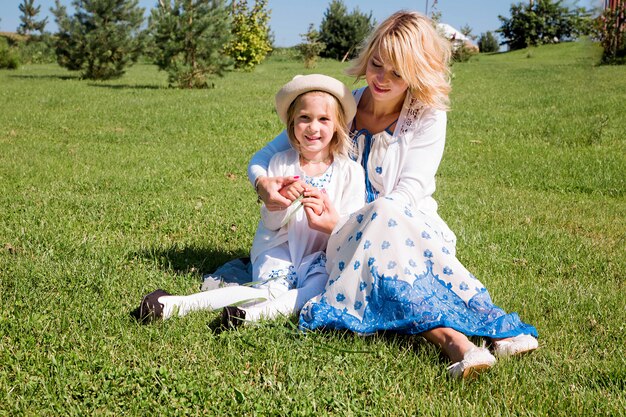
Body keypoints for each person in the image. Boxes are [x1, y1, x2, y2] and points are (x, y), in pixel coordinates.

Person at [248, 11, 538, 378]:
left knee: (385, 225)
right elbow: (263, 158)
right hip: (336, 233)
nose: (381, 79)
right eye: (377, 64)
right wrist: (263, 185)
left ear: (417, 73)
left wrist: (349, 225)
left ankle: (467, 339)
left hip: (406, 227)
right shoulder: (343, 107)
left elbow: (410, 190)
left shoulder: (427, 115)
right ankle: (465, 341)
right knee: (383, 258)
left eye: (398, 72)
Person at [135, 74, 365, 327]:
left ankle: (247, 317)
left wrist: (327, 221)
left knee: (317, 288)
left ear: (337, 126)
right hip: (280, 247)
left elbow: (349, 227)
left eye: (323, 119)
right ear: (291, 124)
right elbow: (271, 220)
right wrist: (280, 204)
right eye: (304, 118)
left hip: (319, 253)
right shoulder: (281, 163)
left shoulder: (350, 171)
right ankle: (175, 304)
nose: (313, 127)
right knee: (269, 290)